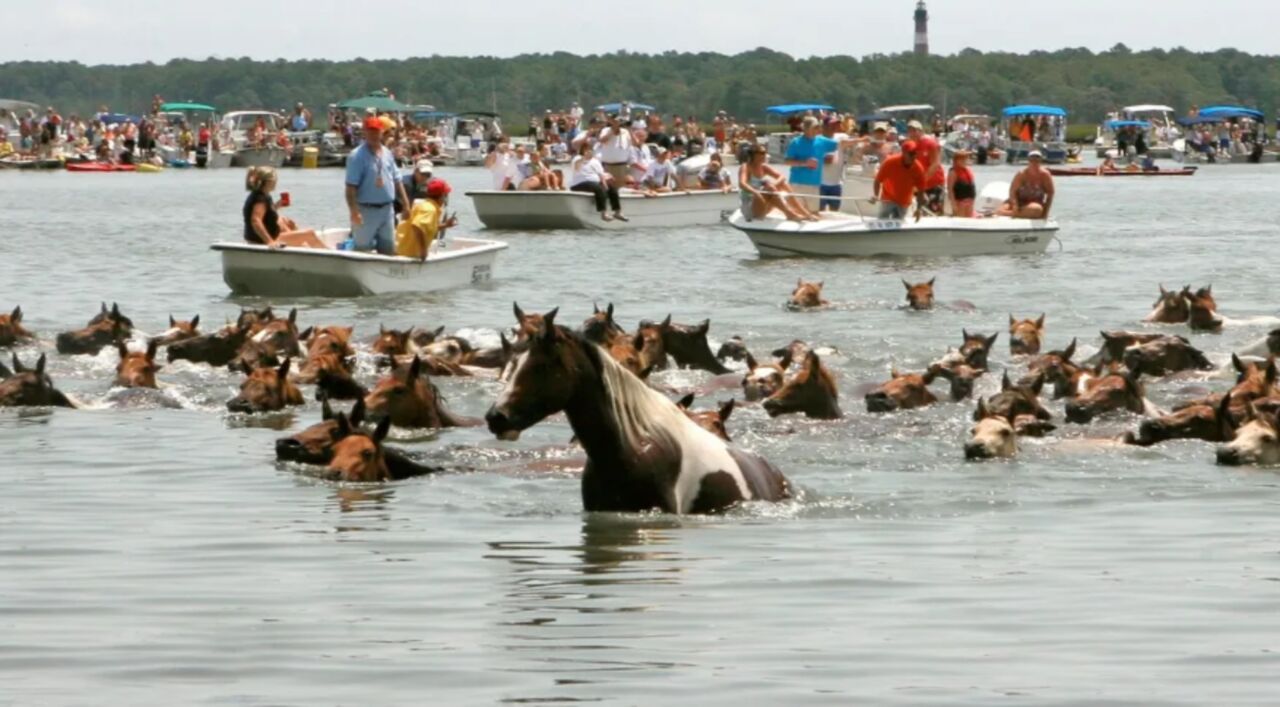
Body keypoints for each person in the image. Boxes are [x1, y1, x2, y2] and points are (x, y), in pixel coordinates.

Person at [344, 116, 408, 255]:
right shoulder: (356, 156)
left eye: (376, 131)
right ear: (364, 132)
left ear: (381, 132)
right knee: (362, 251)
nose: (373, 135)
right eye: (370, 131)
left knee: (389, 250)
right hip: (366, 210)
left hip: (387, 210)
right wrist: (354, 211)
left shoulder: (387, 153)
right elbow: (350, 187)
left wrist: (406, 205)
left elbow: (397, 179)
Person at [243, 167, 326, 249]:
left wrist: (277, 205)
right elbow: (255, 220)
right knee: (310, 234)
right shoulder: (260, 199)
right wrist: (270, 242)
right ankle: (329, 255)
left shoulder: (261, 194)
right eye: (275, 180)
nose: (276, 183)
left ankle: (302, 247)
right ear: (269, 181)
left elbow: (265, 214)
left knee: (284, 221)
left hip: (262, 237)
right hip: (263, 240)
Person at [737, 144, 815, 222]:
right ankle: (790, 214)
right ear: (753, 155)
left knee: (782, 184)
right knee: (770, 187)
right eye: (762, 153)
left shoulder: (763, 167)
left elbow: (782, 177)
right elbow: (742, 184)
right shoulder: (746, 167)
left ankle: (803, 213)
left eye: (765, 152)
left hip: (763, 205)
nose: (765, 155)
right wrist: (756, 193)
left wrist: (774, 185)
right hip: (751, 207)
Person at [784, 116, 838, 212]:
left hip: (814, 185)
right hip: (797, 184)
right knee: (796, 212)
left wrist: (860, 141)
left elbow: (840, 144)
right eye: (815, 127)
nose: (817, 129)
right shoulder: (795, 142)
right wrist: (805, 163)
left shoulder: (822, 140)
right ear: (805, 129)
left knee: (813, 213)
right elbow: (787, 161)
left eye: (818, 127)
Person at [395, 178, 457, 260]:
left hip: (403, 250)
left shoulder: (425, 205)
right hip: (408, 254)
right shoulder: (429, 210)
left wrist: (445, 225)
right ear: (442, 196)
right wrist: (423, 250)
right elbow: (417, 226)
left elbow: (426, 228)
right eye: (446, 194)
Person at [569, 143, 626, 222]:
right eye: (586, 150)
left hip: (594, 182)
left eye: (590, 150)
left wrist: (605, 185)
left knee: (612, 188)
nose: (588, 152)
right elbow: (576, 168)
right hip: (580, 183)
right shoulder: (577, 159)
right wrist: (583, 158)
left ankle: (617, 211)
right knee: (597, 187)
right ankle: (603, 213)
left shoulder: (595, 161)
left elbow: (601, 175)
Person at [872, 140, 926, 220]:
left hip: (904, 202)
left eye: (915, 153)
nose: (913, 156)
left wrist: (918, 209)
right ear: (904, 153)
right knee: (882, 222)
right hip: (888, 199)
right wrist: (876, 195)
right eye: (911, 154)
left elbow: (921, 190)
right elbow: (878, 180)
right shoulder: (890, 162)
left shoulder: (919, 168)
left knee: (898, 225)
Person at [906, 120, 945, 214]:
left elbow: (935, 164)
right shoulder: (910, 146)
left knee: (933, 213)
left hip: (934, 184)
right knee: (917, 212)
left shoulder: (930, 143)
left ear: (921, 131)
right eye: (910, 131)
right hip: (918, 187)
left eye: (915, 130)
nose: (913, 133)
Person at [1008, 150, 1055, 219]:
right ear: (1028, 160)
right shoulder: (1021, 174)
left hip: (1035, 203)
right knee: (1000, 209)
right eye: (1032, 159)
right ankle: (1016, 213)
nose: (1034, 161)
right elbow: (1012, 191)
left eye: (1037, 159)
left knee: (1036, 210)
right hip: (1019, 202)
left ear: (1041, 160)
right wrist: (1015, 205)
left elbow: (1050, 194)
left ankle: (1013, 214)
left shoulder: (1045, 175)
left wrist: (1046, 213)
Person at [597, 115, 634, 185]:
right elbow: (602, 140)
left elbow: (634, 143)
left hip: (621, 166)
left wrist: (630, 129)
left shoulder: (625, 132)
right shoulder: (605, 130)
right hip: (607, 166)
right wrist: (613, 129)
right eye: (615, 121)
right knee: (606, 187)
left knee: (620, 188)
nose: (617, 123)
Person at [947, 150, 977, 218]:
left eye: (965, 159)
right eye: (962, 159)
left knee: (969, 220)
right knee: (960, 219)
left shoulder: (967, 170)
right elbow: (950, 189)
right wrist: (953, 204)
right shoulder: (953, 172)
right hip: (960, 201)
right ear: (956, 160)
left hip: (970, 200)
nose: (964, 161)